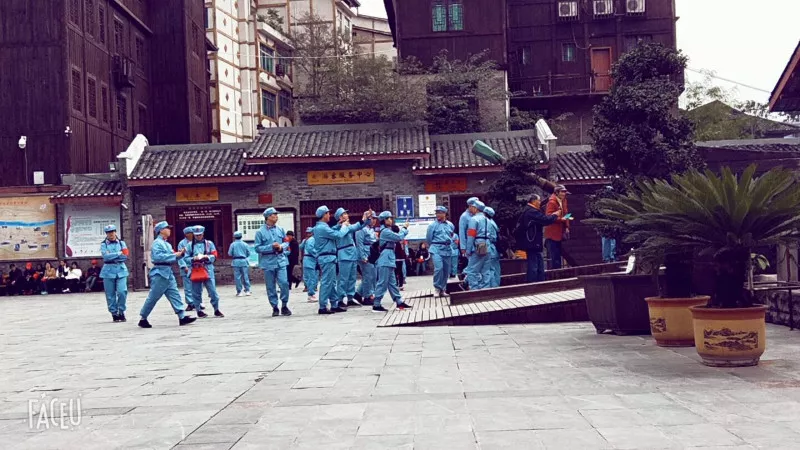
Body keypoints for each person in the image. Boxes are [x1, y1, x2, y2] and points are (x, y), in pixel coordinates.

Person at [313, 206, 370, 315]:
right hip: (328, 257)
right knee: (328, 282)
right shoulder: (322, 227)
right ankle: (323, 306)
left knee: (332, 282)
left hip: (331, 257)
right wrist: (342, 226)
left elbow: (354, 227)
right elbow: (338, 235)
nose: (329, 215)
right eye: (327, 213)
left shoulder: (325, 227)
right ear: (324, 215)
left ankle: (335, 304)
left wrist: (364, 219)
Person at [138, 221, 197, 328]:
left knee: (175, 294)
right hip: (160, 273)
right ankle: (143, 317)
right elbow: (157, 257)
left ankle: (182, 316)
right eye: (167, 228)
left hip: (168, 271)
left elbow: (172, 256)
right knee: (153, 297)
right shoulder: (157, 243)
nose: (169, 230)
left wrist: (180, 254)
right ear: (161, 230)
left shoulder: (167, 244)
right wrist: (175, 255)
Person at [373, 211, 414, 312]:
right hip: (385, 259)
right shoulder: (385, 231)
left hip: (389, 258)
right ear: (384, 220)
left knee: (392, 283)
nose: (391, 220)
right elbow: (399, 237)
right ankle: (376, 304)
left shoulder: (387, 230)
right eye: (388, 218)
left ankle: (398, 301)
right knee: (382, 282)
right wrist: (404, 228)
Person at [255, 207, 291, 317]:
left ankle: (284, 305)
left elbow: (286, 242)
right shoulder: (260, 232)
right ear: (268, 217)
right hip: (268, 262)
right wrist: (271, 247)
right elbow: (257, 248)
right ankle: (274, 307)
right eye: (274, 215)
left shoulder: (280, 229)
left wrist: (281, 247)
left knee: (284, 283)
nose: (276, 216)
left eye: (276, 214)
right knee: (270, 286)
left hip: (281, 260)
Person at [516, 194, 561, 282]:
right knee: (533, 266)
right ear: (534, 201)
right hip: (532, 242)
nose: (540, 202)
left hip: (534, 242)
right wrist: (555, 215)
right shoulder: (531, 212)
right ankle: (532, 285)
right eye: (539, 200)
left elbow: (543, 220)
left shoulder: (529, 211)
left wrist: (552, 216)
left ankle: (540, 283)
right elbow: (545, 220)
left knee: (539, 264)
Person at [184, 225, 224, 318]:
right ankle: (198, 310)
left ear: (203, 234)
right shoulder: (189, 245)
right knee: (196, 292)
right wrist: (193, 259)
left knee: (213, 291)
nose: (198, 236)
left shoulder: (209, 244)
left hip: (207, 269)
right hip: (196, 270)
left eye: (200, 235)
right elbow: (185, 258)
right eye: (196, 235)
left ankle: (216, 309)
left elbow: (214, 255)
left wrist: (207, 257)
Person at [333, 208, 365, 307]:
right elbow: (341, 233)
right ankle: (340, 298)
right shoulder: (336, 228)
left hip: (352, 254)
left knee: (352, 277)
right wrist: (342, 225)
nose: (347, 215)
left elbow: (356, 226)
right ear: (340, 217)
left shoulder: (348, 226)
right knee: (343, 278)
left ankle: (350, 297)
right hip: (344, 254)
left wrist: (365, 219)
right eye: (344, 214)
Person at [100, 224, 129, 322]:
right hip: (108, 271)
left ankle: (121, 311)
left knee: (122, 291)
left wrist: (112, 255)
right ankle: (114, 313)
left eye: (112, 231)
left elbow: (125, 256)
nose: (111, 234)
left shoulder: (122, 243)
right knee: (110, 294)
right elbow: (105, 257)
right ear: (106, 234)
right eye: (108, 232)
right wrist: (118, 253)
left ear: (115, 232)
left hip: (121, 270)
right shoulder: (103, 244)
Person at [426, 206, 454, 296]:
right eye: (437, 213)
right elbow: (429, 238)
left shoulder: (450, 225)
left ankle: (443, 289)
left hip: (447, 249)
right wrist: (434, 245)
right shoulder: (432, 225)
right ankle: (437, 288)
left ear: (445, 214)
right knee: (439, 268)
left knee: (446, 270)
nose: (438, 214)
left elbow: (452, 235)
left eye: (440, 213)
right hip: (436, 248)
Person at [465, 200, 491, 290]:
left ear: (475, 208)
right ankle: (485, 289)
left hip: (479, 244)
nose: (469, 208)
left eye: (470, 207)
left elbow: (471, 236)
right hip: (487, 245)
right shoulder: (488, 220)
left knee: (472, 270)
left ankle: (474, 290)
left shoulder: (474, 219)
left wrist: (468, 250)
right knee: (485, 270)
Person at [544, 185, 571, 269]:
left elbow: (566, 214)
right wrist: (561, 219)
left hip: (560, 232)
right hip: (553, 233)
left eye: (564, 192)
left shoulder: (564, 201)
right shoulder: (551, 202)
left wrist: (567, 226)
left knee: (558, 255)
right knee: (554, 256)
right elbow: (549, 216)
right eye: (562, 192)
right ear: (557, 192)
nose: (564, 193)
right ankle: (555, 273)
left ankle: (559, 272)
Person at [354, 214, 378, 306]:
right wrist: (363, 256)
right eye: (372, 218)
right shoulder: (361, 229)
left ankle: (358, 293)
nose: (374, 220)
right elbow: (359, 243)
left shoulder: (371, 229)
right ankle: (367, 296)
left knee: (372, 276)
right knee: (368, 276)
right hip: (365, 254)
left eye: (375, 218)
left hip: (372, 254)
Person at [177, 227, 197, 310]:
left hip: (196, 266)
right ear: (186, 234)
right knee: (187, 287)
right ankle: (190, 303)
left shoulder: (196, 242)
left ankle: (197, 302)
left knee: (197, 286)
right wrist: (184, 266)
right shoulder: (182, 243)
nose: (192, 234)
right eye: (191, 233)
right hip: (186, 266)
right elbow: (180, 256)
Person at [228, 231, 252, 297]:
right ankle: (247, 290)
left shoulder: (232, 244)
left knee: (237, 277)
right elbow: (248, 253)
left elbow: (229, 253)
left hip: (236, 261)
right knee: (245, 276)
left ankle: (239, 291)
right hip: (244, 261)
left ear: (234, 237)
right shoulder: (245, 244)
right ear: (241, 236)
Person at [484, 207, 502, 288]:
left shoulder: (487, 223)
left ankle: (492, 287)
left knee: (489, 269)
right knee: (496, 268)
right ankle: (496, 285)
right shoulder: (493, 222)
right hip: (494, 249)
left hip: (489, 247)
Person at [299, 227, 318, 303]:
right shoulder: (311, 239)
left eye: (309, 233)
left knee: (309, 277)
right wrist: (317, 255)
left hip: (308, 259)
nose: (308, 234)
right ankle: (311, 294)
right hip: (310, 259)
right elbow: (308, 249)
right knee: (311, 278)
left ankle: (311, 292)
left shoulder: (310, 240)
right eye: (307, 233)